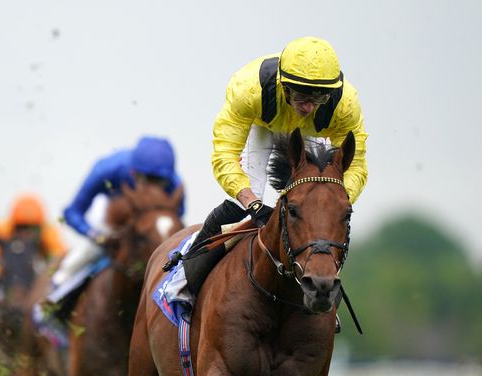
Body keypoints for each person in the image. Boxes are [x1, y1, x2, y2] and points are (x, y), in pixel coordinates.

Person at [173, 36, 369, 297]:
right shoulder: (249, 90)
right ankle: (183, 280)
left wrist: (337, 199)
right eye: (301, 95)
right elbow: (224, 156)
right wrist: (252, 203)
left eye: (319, 97)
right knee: (245, 198)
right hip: (263, 126)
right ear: (283, 86)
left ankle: (325, 297)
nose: (309, 106)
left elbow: (355, 165)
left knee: (319, 209)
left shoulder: (344, 105)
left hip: (311, 133)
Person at [38, 136, 186, 323]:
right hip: (111, 215)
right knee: (86, 253)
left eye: (159, 183)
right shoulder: (108, 168)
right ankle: (55, 297)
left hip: (147, 227)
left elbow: (175, 222)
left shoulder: (175, 184)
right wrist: (97, 236)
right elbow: (72, 212)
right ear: (133, 173)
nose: (151, 190)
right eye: (146, 180)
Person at [0, 193, 66, 310]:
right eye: (22, 227)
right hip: (4, 281)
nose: (26, 234)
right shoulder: (2, 231)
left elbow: (60, 256)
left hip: (34, 280)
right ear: (14, 224)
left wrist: (48, 275)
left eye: (32, 228)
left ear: (39, 226)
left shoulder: (48, 232)